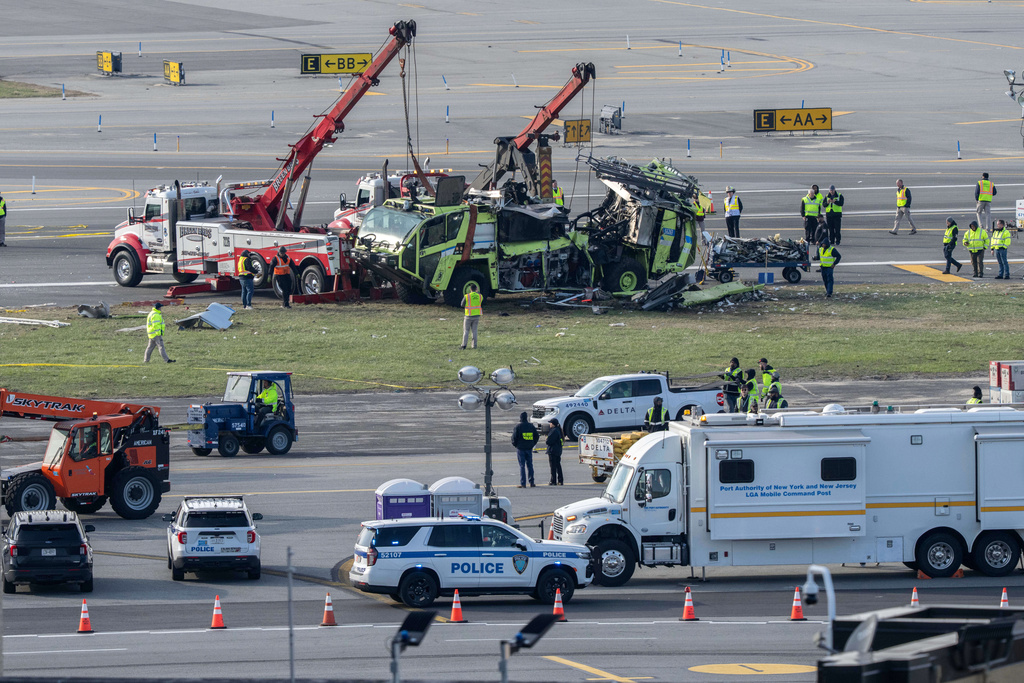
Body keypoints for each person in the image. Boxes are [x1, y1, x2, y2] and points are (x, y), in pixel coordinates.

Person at [511, 412, 538, 488]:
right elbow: (536, 436)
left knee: (522, 466)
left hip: (521, 448)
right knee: (530, 465)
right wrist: (532, 444)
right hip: (529, 448)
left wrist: (516, 445)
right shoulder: (531, 426)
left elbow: (514, 438)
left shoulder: (518, 426)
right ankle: (532, 482)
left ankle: (523, 483)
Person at [460, 283, 482, 349]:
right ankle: (474, 345)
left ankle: (464, 345)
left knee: (466, 331)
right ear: (476, 289)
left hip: (468, 315)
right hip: (477, 316)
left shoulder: (467, 296)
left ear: (470, 289)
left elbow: (462, 304)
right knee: (474, 331)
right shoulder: (480, 296)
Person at [546, 418, 564, 486]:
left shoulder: (553, 431)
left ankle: (553, 481)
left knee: (553, 467)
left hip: (553, 451)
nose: (550, 424)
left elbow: (549, 441)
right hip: (558, 450)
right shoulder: (558, 430)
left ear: (553, 424)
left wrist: (547, 439)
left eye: (550, 423)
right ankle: (560, 480)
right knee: (558, 466)